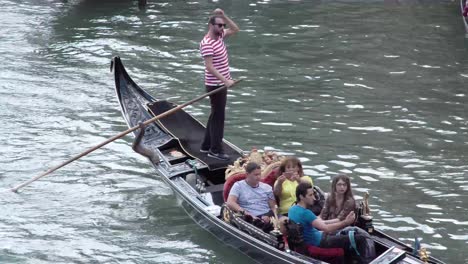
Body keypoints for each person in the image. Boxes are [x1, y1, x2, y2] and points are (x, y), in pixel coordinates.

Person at [289, 182, 374, 263]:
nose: (314, 198)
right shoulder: (306, 213)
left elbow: (322, 223)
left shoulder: (292, 209)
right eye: (310, 195)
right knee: (361, 239)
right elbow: (326, 228)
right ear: (301, 196)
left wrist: (343, 221)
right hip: (321, 241)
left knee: (350, 232)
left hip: (319, 235)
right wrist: (345, 222)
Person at [199, 8, 240, 161]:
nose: (222, 28)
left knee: (215, 114)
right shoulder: (207, 43)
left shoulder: (220, 36)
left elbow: (236, 29)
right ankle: (215, 150)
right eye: (219, 25)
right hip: (215, 85)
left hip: (221, 84)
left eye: (223, 25)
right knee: (219, 117)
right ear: (211, 26)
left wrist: (223, 16)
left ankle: (205, 145)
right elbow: (209, 66)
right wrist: (226, 81)